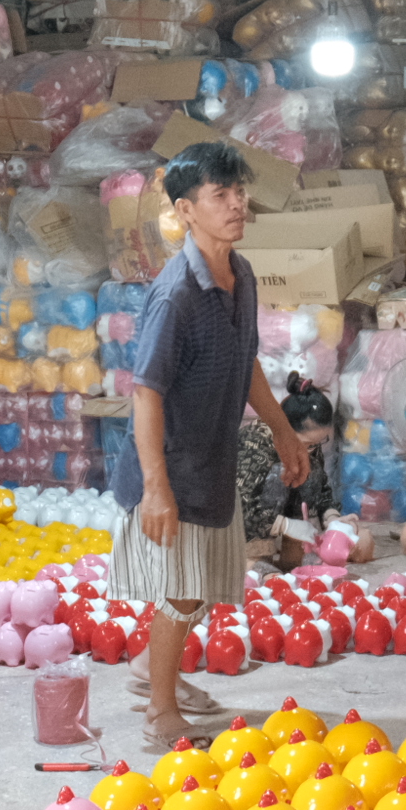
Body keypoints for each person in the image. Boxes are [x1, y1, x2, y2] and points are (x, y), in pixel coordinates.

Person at [109, 141, 309, 747]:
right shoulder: (176, 296)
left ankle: (151, 669)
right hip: (170, 467)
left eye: (239, 192)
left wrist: (281, 428)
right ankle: (161, 713)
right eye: (220, 196)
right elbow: (147, 392)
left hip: (211, 461)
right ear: (185, 210)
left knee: (204, 583)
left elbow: (245, 359)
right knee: (180, 589)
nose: (236, 205)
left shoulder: (239, 274)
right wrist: (155, 488)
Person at [238, 372, 337, 565]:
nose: (312, 448)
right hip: (242, 526)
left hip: (282, 514)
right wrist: (285, 525)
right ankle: (256, 555)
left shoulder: (310, 446)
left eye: (318, 442)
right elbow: (242, 508)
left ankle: (292, 555)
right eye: (307, 443)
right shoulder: (255, 444)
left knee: (310, 470)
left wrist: (332, 516)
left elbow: (321, 486)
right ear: (286, 431)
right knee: (279, 474)